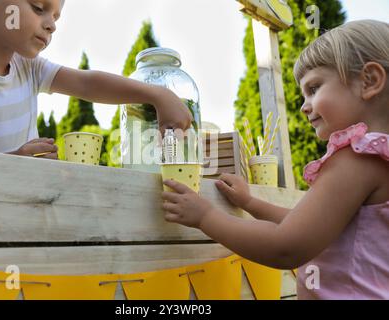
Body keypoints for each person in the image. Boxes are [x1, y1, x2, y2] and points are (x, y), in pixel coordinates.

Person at [162, 20, 389, 299]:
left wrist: (206, 216)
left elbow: (287, 247)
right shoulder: (379, 159)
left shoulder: (356, 159)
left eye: (314, 88)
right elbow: (307, 225)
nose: (304, 106)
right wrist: (250, 203)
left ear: (370, 81)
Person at [0, 0, 192, 159]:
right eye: (39, 8)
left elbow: (86, 83)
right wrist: (13, 161)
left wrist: (158, 94)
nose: (51, 25)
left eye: (55, 17)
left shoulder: (28, 67)